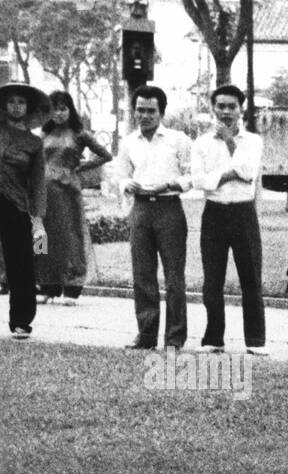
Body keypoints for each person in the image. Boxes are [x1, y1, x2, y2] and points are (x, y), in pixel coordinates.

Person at [113, 85, 192, 350]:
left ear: (161, 112)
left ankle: (174, 338)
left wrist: (170, 184)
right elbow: (121, 174)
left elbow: (191, 176)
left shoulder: (178, 140)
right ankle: (146, 336)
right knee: (142, 275)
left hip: (169, 208)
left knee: (174, 278)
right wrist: (127, 184)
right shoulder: (128, 142)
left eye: (150, 111)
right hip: (141, 209)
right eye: (140, 110)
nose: (144, 116)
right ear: (133, 111)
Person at [191, 84, 267, 355]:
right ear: (213, 108)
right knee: (212, 279)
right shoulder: (201, 143)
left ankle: (256, 340)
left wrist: (230, 142)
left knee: (251, 278)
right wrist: (225, 175)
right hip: (214, 213)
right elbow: (199, 180)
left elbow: (248, 171)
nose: (225, 112)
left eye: (231, 106)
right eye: (220, 106)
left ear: (241, 109)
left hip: (243, 212)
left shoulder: (253, 141)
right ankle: (213, 338)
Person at [38, 90, 111, 304]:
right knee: (42, 237)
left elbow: (105, 155)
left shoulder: (80, 133)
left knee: (71, 236)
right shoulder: (44, 134)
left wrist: (80, 166)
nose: (58, 113)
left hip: (68, 189)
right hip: (43, 190)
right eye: (54, 109)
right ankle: (47, 285)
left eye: (63, 108)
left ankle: (72, 286)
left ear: (70, 110)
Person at [0, 81, 49, 339]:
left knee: (21, 262)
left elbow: (37, 184)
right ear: (5, 105)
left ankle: (21, 321)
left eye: (21, 102)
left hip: (16, 205)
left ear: (28, 108)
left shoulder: (34, 143)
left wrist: (38, 219)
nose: (16, 106)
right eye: (12, 101)